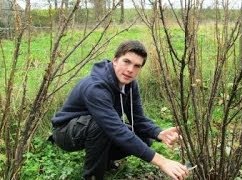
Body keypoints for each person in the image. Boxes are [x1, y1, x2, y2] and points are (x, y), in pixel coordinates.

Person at [51, 40, 189, 180]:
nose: (130, 70)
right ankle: (92, 176)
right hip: (66, 132)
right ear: (115, 60)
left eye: (137, 66)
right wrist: (162, 162)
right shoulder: (95, 87)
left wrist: (158, 133)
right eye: (126, 61)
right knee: (100, 127)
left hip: (95, 126)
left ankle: (104, 160)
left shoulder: (130, 84)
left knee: (144, 136)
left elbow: (138, 119)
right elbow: (116, 130)